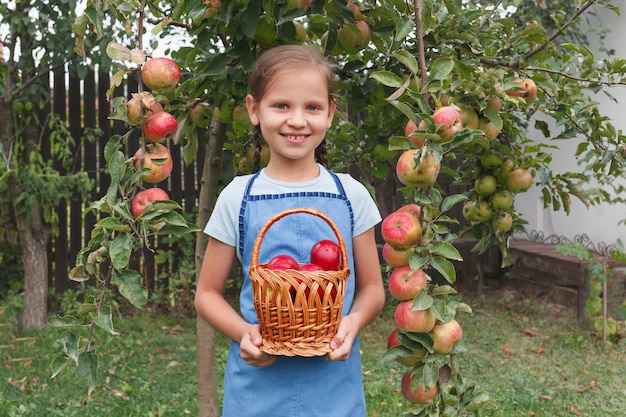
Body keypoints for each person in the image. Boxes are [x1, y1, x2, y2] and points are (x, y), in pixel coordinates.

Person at [194, 44, 385, 417]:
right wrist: (243, 334)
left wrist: (353, 321)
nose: (297, 120)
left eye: (311, 107)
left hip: (334, 385)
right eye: (281, 105)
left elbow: (373, 288)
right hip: (257, 385)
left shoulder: (350, 195)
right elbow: (206, 294)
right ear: (254, 109)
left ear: (330, 113)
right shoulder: (238, 196)